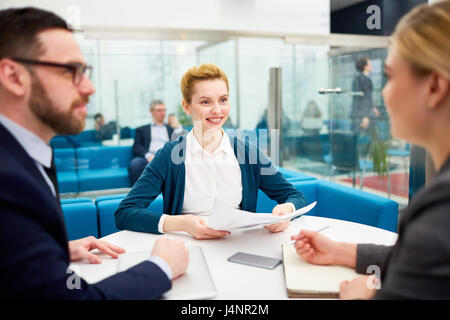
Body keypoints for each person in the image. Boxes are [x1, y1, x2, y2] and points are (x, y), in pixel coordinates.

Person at [0, 7, 188, 299]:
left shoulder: (25, 155)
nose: (89, 88)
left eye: (85, 72)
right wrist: (161, 266)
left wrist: (55, 250)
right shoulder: (8, 181)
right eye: (70, 71)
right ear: (13, 76)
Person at [291, 1, 450, 300]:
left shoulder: (441, 209)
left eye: (390, 77)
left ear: (434, 87)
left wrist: (361, 297)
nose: (384, 94)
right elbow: (418, 263)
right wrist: (341, 251)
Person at [115, 63, 307, 239]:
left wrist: (286, 211)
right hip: (186, 248)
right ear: (187, 107)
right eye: (206, 102)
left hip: (239, 245)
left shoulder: (247, 153)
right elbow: (125, 213)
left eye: (223, 100)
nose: (217, 110)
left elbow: (295, 196)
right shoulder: (169, 155)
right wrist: (180, 223)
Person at [128, 100, 174, 185]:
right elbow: (137, 147)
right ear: (151, 111)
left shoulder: (171, 129)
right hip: (148, 158)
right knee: (135, 164)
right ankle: (138, 193)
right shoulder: (141, 130)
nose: (163, 113)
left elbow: (176, 146)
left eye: (164, 110)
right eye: (159, 110)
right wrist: (149, 156)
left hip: (167, 157)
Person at [350, 56, 380, 134]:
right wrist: (365, 116)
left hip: (362, 113)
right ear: (365, 67)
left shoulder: (358, 79)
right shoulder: (364, 80)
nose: (371, 66)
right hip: (363, 115)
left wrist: (372, 107)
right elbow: (361, 99)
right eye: (370, 64)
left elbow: (367, 97)